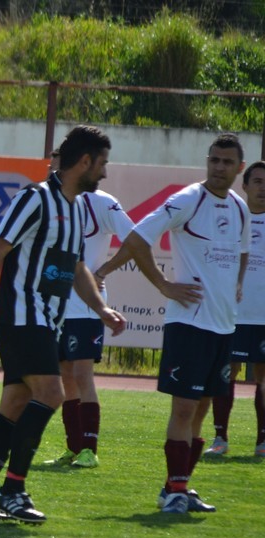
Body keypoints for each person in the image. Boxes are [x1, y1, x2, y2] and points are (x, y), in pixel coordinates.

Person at [0, 125, 126, 524]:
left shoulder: (78, 208)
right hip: (21, 316)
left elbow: (77, 267)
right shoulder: (34, 198)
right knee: (52, 393)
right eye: (101, 163)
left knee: (14, 406)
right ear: (84, 161)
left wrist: (101, 309)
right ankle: (13, 489)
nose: (104, 172)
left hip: (45, 321)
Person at [97, 133, 250, 514]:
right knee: (183, 409)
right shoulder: (188, 199)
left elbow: (243, 251)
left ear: (239, 168)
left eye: (227, 162)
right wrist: (164, 285)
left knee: (201, 409)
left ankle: (176, 487)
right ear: (207, 161)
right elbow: (137, 239)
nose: (219, 167)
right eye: (214, 160)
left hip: (223, 327)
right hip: (189, 326)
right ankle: (177, 489)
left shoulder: (239, 207)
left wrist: (236, 285)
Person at [43, 151, 135, 469]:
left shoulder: (103, 203)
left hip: (86, 305)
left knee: (82, 375)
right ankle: (73, 447)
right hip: (56, 306)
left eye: (57, 164)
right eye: (51, 165)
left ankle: (90, 450)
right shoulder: (49, 201)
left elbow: (136, 239)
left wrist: (104, 270)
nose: (52, 170)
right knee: (65, 377)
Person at [201, 160, 265, 458]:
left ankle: (262, 441)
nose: (263, 188)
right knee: (226, 373)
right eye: (258, 182)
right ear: (245, 186)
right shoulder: (233, 218)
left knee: (262, 377)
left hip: (263, 316)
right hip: (231, 314)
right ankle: (220, 438)